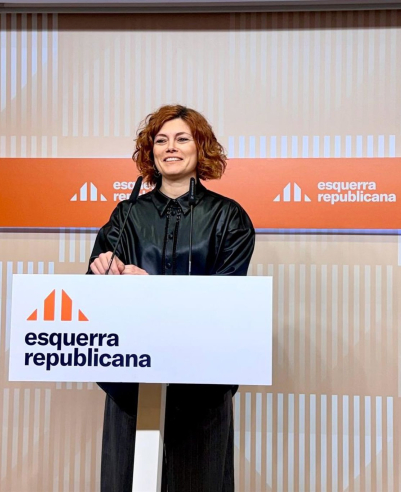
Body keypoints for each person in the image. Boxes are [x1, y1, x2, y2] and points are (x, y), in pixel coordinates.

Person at [87, 105, 255, 492]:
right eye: (161, 140)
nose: (170, 147)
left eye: (182, 139)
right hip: (131, 382)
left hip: (203, 386)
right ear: (151, 151)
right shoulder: (126, 214)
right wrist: (102, 272)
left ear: (201, 147)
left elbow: (229, 299)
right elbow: (95, 297)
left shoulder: (229, 217)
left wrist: (153, 288)